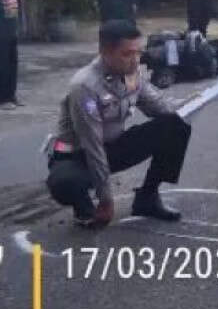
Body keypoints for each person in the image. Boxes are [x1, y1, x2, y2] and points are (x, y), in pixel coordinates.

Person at [45, 19, 191, 227]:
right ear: (105, 52)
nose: (134, 60)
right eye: (126, 54)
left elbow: (158, 107)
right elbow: (92, 146)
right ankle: (83, 206)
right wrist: (106, 199)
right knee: (65, 183)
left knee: (175, 126)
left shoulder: (131, 73)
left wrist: (191, 105)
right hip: (79, 156)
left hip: (113, 147)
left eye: (137, 52)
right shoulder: (85, 86)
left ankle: (147, 197)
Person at [0, 0, 21, 109]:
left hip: (11, 25)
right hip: (1, 27)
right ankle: (3, 98)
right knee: (3, 63)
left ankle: (11, 95)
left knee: (12, 61)